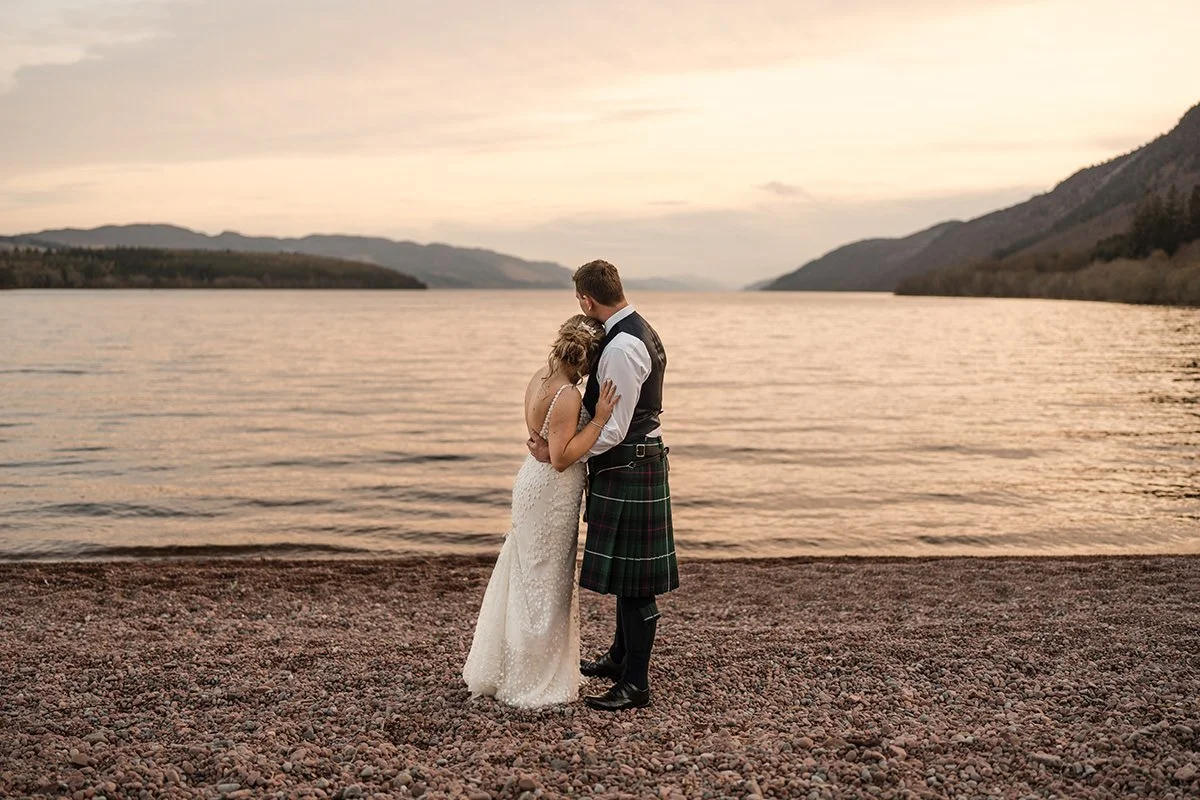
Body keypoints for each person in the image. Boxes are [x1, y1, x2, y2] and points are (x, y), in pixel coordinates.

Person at [528, 259, 678, 711]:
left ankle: (636, 683)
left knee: (636, 583)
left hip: (630, 464)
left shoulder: (621, 347)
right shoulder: (634, 331)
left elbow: (614, 427)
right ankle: (618, 658)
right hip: (628, 466)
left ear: (586, 301)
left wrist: (565, 452)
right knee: (627, 577)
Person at [462, 314, 619, 709]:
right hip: (552, 490)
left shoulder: (539, 377)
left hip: (532, 479)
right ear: (587, 361)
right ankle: (531, 678)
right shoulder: (568, 396)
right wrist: (599, 418)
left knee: (527, 574)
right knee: (546, 581)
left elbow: (540, 438)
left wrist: (548, 448)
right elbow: (563, 458)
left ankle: (507, 667)